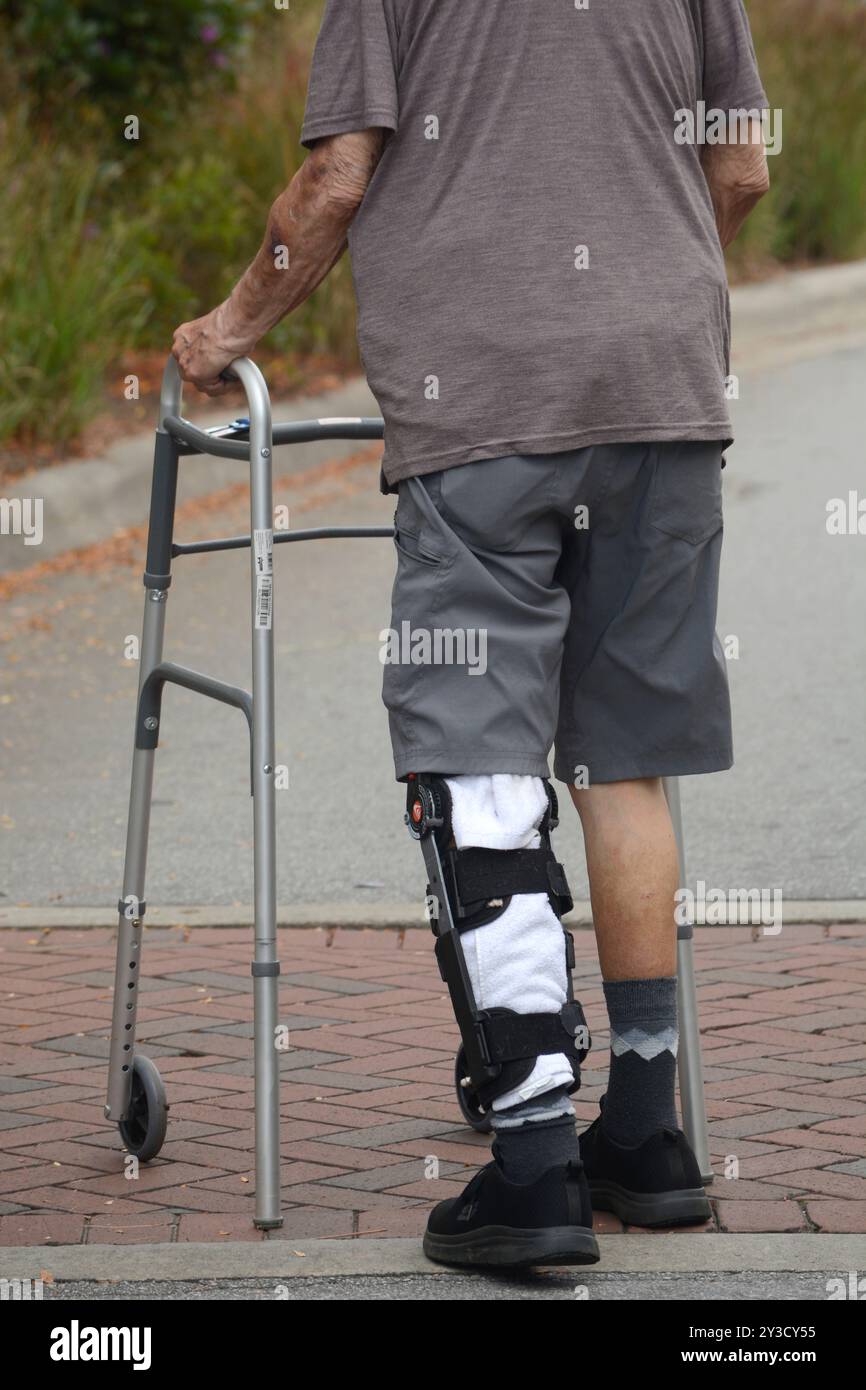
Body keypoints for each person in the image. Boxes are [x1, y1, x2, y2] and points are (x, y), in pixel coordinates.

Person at [172, 0, 769, 1269]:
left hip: (485, 394)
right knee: (626, 754)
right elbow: (741, 164)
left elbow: (336, 177)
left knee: (477, 749)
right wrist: (637, 297)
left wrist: (228, 331)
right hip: (662, 383)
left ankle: (536, 1159)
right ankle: (647, 1134)